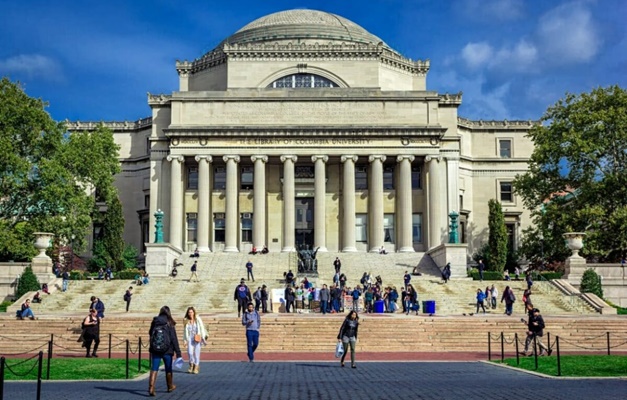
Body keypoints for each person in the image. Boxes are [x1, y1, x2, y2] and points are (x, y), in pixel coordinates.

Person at [148, 306, 182, 396]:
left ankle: (151, 387)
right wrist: (178, 352)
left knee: (154, 368)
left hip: (156, 349)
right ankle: (170, 386)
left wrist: (152, 346)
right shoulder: (169, 322)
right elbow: (173, 338)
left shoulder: (155, 321)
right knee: (168, 368)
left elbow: (150, 333)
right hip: (168, 349)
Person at [183, 306, 207, 374]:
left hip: (197, 337)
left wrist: (203, 337)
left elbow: (202, 328)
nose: (190, 314)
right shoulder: (186, 320)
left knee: (197, 353)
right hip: (190, 337)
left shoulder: (198, 319)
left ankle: (196, 366)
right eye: (189, 312)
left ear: (194, 312)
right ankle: (191, 364)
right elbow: (184, 331)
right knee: (190, 352)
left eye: (191, 312)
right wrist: (185, 340)